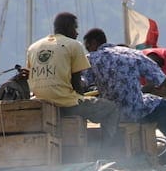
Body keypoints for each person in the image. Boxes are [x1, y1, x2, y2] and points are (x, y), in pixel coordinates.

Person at [82, 28, 166, 171]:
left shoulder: (90, 59)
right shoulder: (131, 54)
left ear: (93, 43)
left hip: (115, 114)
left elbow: (82, 84)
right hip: (138, 111)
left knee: (164, 116)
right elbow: (160, 77)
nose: (88, 50)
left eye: (87, 46)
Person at [26, 12, 120, 150]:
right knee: (111, 108)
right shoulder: (73, 45)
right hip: (65, 105)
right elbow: (77, 85)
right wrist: (83, 100)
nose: (77, 33)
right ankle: (106, 153)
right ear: (67, 27)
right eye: (75, 28)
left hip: (41, 103)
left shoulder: (33, 47)